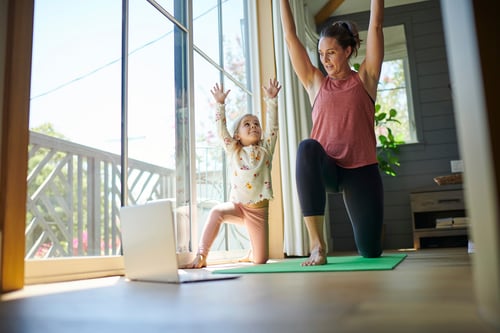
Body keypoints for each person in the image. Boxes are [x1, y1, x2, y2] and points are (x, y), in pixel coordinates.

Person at [279, 0, 385, 265]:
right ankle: (317, 245)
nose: (324, 60)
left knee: (371, 252)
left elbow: (376, 24)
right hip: (328, 168)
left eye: (331, 53)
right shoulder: (315, 83)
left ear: (348, 51)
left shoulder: (365, 78)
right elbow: (291, 38)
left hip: (361, 170)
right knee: (307, 147)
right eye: (321, 53)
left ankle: (366, 242)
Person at [182, 78, 281, 268]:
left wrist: (272, 100)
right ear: (237, 135)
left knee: (261, 260)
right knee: (217, 211)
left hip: (258, 212)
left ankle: (253, 251)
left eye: (256, 124)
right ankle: (202, 255)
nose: (253, 126)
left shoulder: (266, 149)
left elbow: (273, 127)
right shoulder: (233, 150)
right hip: (238, 207)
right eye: (247, 124)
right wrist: (220, 104)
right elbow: (221, 131)